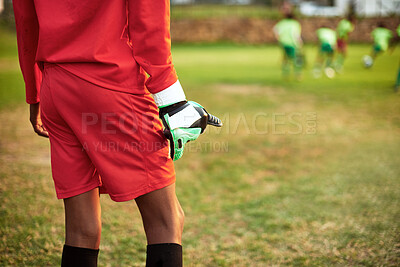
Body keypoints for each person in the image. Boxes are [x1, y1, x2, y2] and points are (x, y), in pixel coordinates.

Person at [12, 1, 221, 266]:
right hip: (113, 81)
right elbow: (148, 19)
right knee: (166, 220)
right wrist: (172, 99)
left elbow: (26, 22)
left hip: (57, 86)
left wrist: (35, 91)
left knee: (80, 229)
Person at [273, 13, 304, 80]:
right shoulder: (294, 23)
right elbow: (295, 34)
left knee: (286, 58)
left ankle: (285, 73)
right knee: (295, 59)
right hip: (292, 43)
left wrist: (278, 38)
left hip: (283, 43)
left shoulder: (282, 22)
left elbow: (275, 29)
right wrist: (300, 42)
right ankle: (297, 74)